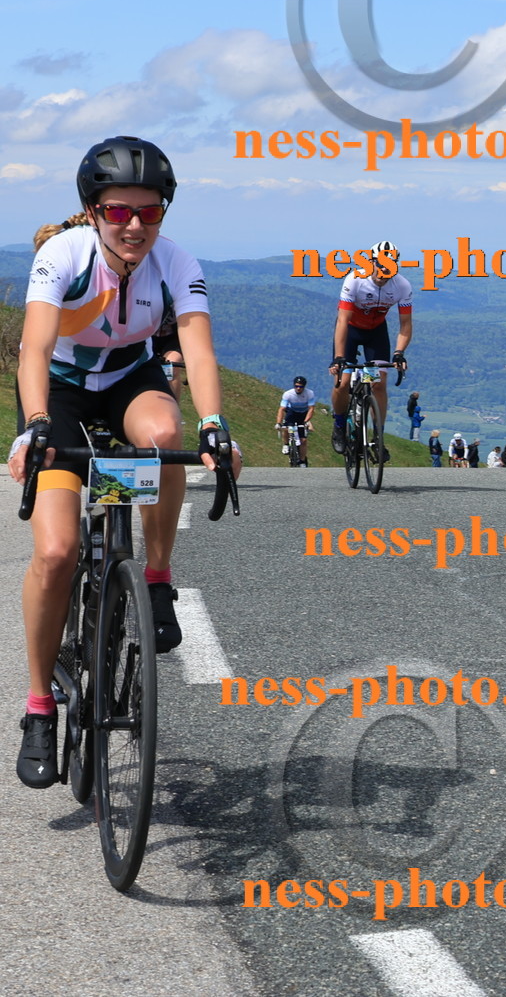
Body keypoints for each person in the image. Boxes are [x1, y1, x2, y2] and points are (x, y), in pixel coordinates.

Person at [9, 136, 241, 788]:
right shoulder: (63, 255)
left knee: (166, 433)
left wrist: (217, 427)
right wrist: (34, 427)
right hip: (59, 389)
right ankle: (38, 707)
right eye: (118, 212)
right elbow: (33, 350)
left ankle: (156, 578)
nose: (135, 224)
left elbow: (196, 352)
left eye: (150, 211)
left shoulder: (176, 262)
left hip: (129, 381)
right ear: (92, 211)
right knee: (55, 553)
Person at [329, 241, 412, 460]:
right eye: (380, 264)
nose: (384, 271)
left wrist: (399, 353)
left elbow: (405, 325)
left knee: (378, 384)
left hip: (376, 334)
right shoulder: (355, 279)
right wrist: (338, 358)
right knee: (343, 382)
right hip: (351, 332)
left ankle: (378, 437)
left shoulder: (402, 286)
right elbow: (342, 321)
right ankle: (339, 425)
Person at [276, 375, 316, 466]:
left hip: (303, 414)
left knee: (303, 440)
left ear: (304, 387)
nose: (298, 388)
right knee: (286, 427)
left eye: (301, 387)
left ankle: (302, 461)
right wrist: (278, 423)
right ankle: (286, 444)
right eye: (296, 386)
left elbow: (311, 409)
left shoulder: (309, 394)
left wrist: (306, 421)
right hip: (292, 412)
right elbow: (281, 409)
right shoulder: (288, 394)